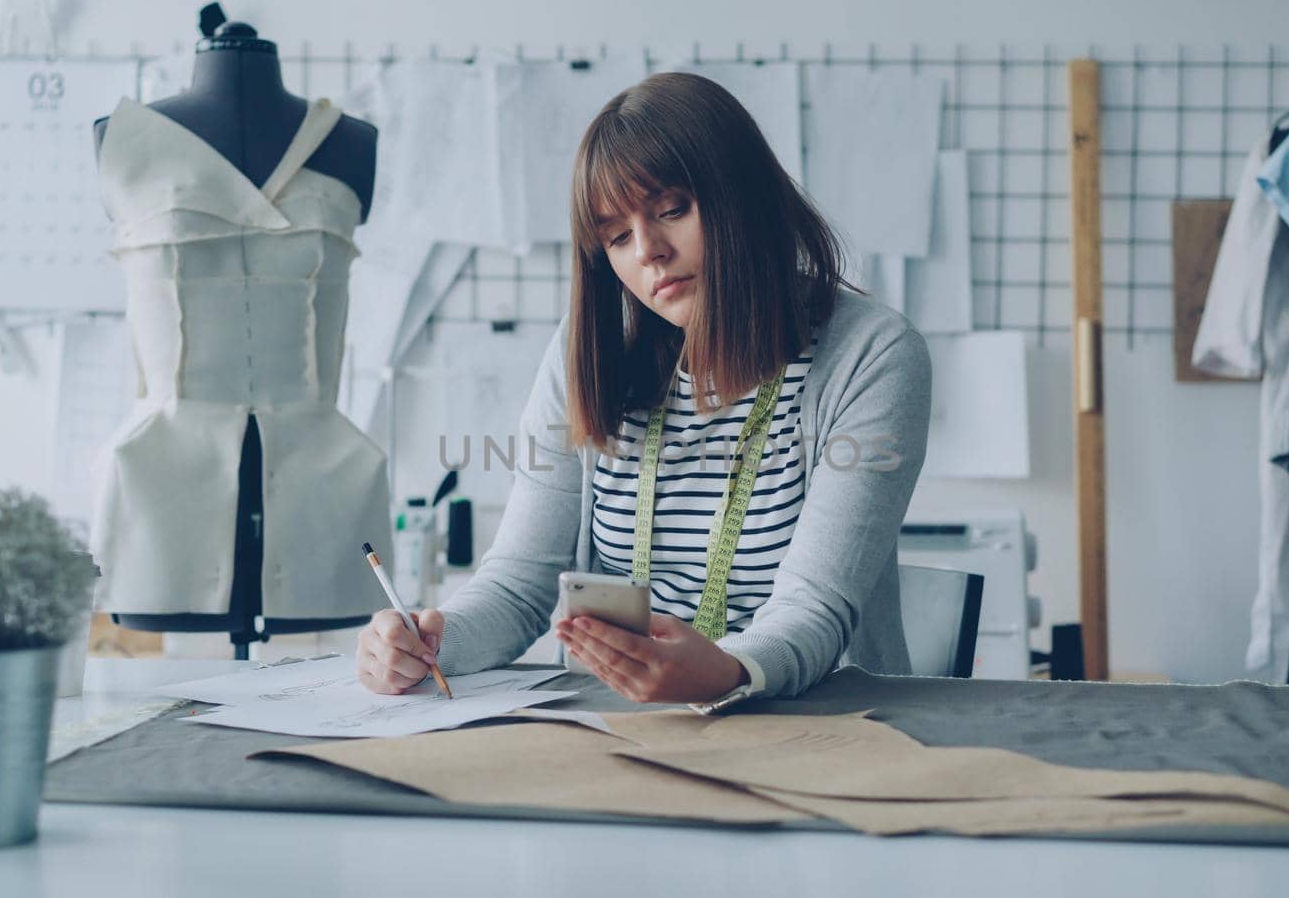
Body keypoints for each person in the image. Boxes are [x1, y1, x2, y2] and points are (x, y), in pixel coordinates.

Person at [358, 72, 932, 705]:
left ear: (742, 195)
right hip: (619, 730)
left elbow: (816, 608)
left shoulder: (871, 354)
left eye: (672, 210)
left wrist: (725, 672)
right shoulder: (590, 350)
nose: (650, 252)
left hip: (817, 725)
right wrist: (432, 642)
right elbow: (520, 584)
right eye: (618, 237)